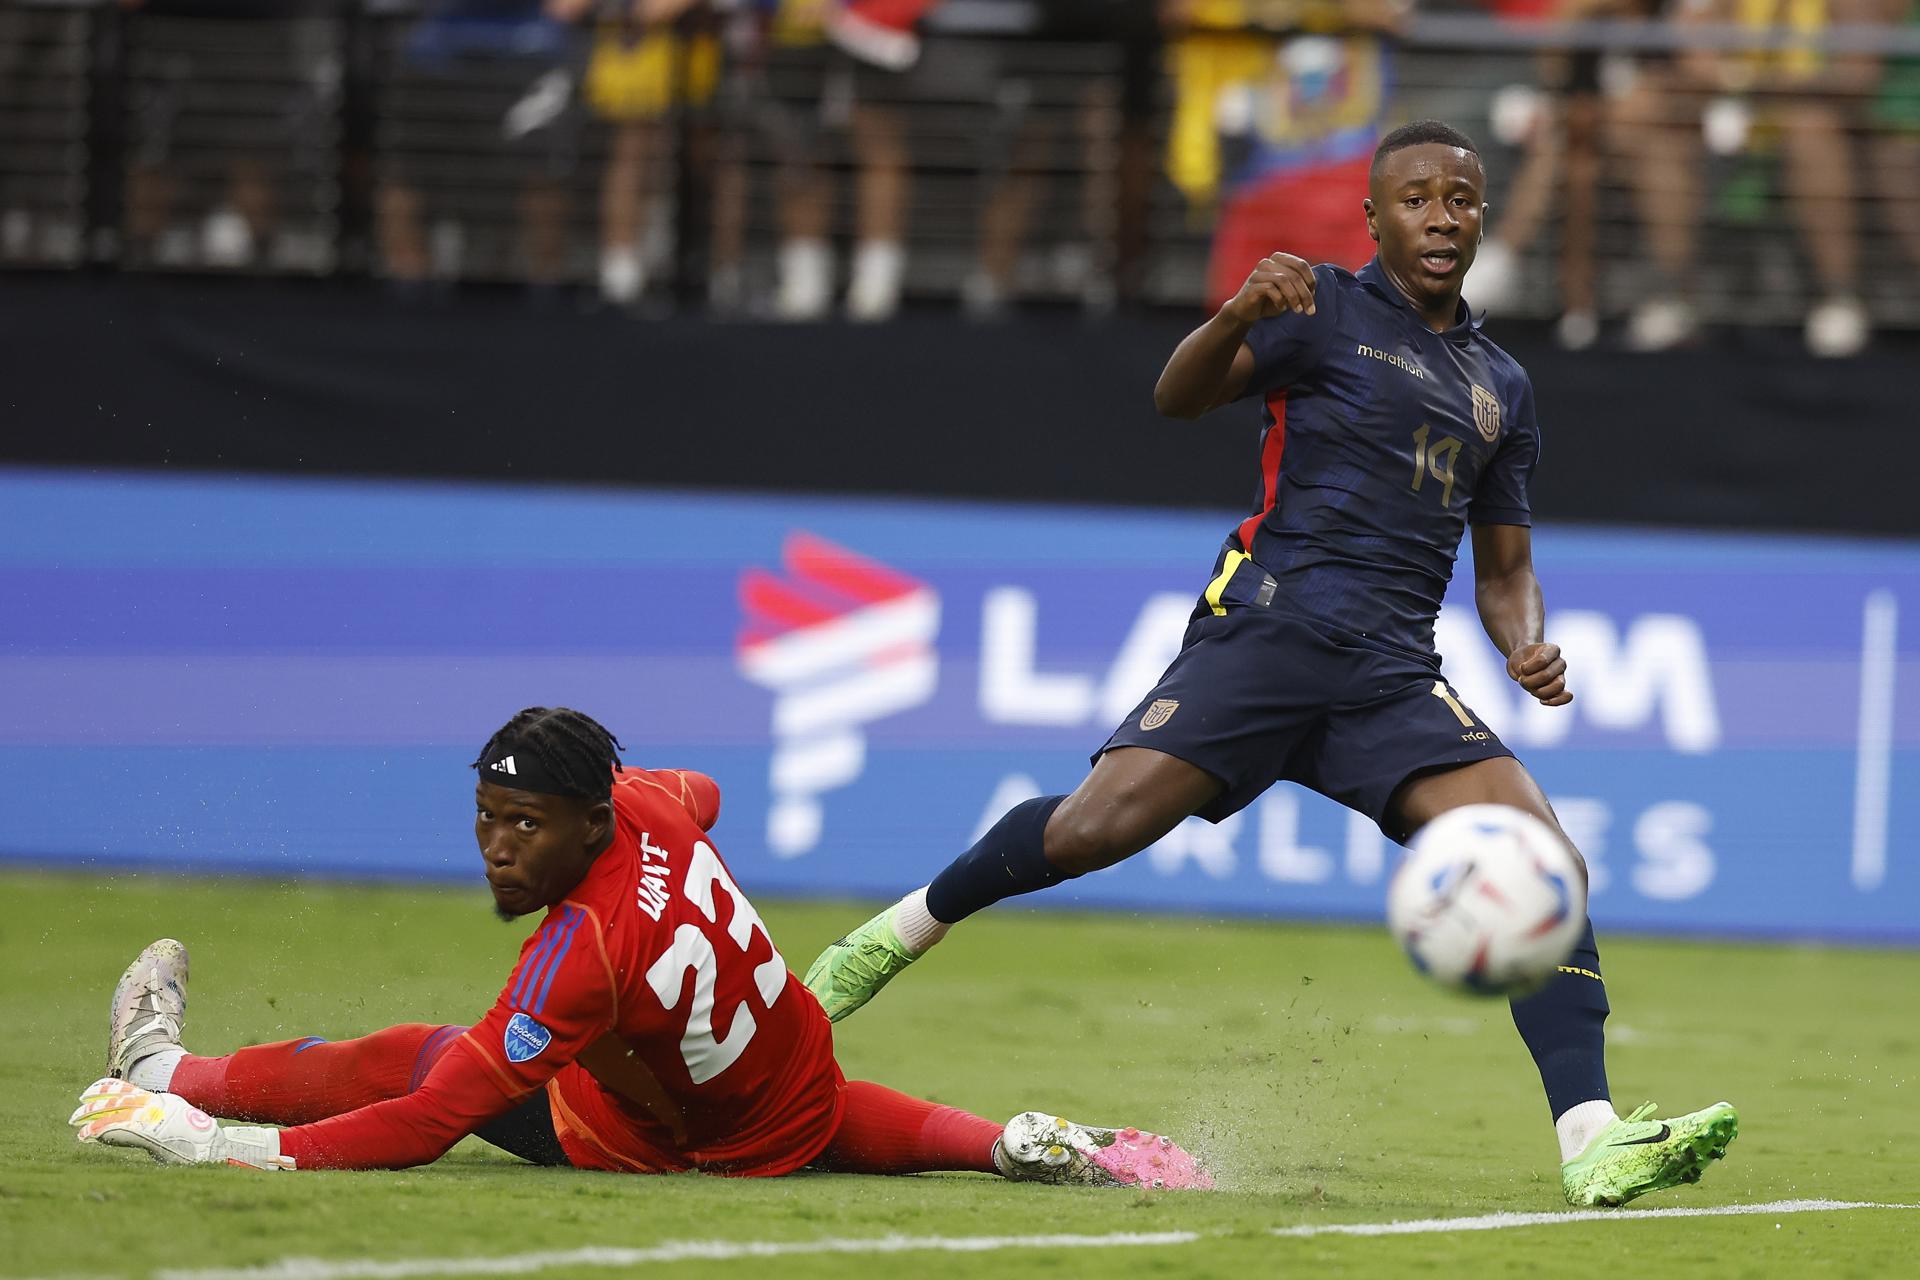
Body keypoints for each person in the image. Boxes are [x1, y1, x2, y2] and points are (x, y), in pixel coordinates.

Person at [803, 120, 1739, 1209]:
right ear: (1375, 217)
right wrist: (1239, 309)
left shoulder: (1501, 384)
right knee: (1092, 827)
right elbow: (1177, 397)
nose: (1443, 217)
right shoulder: (1322, 309)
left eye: (1463, 200)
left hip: (1390, 675)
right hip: (1270, 633)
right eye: (1419, 199)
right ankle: (879, 944)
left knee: (1547, 865)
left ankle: (1591, 1140)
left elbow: (1505, 567)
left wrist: (1523, 638)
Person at [71, 707, 1210, 1190]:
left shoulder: (580, 954)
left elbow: (429, 1123)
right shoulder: (649, 800)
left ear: (586, 819)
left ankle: (165, 1071)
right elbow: (702, 789)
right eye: (486, 819)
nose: (496, 851)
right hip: (793, 1079)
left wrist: (219, 1148)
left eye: (524, 827)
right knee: (815, 1106)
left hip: (669, 1136)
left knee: (424, 1057)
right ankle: (995, 1143)